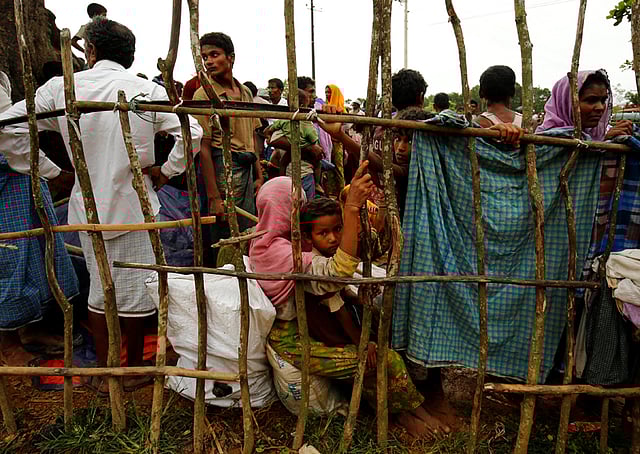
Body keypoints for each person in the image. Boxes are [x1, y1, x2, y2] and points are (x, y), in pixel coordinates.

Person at [0, 17, 203, 392]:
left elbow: (7, 127)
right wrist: (165, 171)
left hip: (87, 208)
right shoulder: (144, 89)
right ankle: (134, 368)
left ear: (90, 51)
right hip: (136, 208)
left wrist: (51, 171)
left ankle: (111, 367)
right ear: (129, 56)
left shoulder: (62, 88)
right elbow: (193, 132)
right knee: (141, 285)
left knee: (101, 287)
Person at [249, 170, 451, 437]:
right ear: (284, 210)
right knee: (380, 361)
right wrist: (352, 207)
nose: (300, 209)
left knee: (376, 350)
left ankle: (410, 411)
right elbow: (338, 272)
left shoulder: (280, 241)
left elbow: (335, 294)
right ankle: (403, 416)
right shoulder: (282, 251)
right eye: (295, 204)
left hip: (316, 326)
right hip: (294, 340)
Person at [0, 71, 79, 366]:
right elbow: (9, 136)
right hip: (7, 185)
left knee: (36, 253)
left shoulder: (2, 81)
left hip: (22, 184)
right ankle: (7, 343)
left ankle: (30, 329)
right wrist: (55, 173)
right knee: (10, 259)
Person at [192, 32, 264, 262]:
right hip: (223, 168)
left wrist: (259, 175)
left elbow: (253, 135)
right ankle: (227, 283)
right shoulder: (204, 94)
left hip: (247, 166)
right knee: (226, 231)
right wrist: (213, 196)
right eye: (205, 57)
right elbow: (203, 146)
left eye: (215, 54)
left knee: (248, 230)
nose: (209, 61)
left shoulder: (244, 92)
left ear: (230, 58)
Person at [300, 198, 373, 360]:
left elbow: (343, 292)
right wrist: (362, 345)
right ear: (307, 237)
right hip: (329, 336)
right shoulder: (312, 263)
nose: (333, 238)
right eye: (323, 233)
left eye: (338, 229)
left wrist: (359, 298)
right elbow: (339, 311)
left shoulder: (328, 255)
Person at [536, 69, 632, 140]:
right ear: (566, 103)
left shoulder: (601, 131)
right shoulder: (543, 140)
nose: (600, 108)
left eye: (603, 101)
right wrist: (602, 141)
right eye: (591, 100)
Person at [264, 89, 323, 200]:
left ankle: (282, 182)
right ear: (302, 104)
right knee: (318, 163)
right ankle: (318, 183)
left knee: (283, 164)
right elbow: (314, 141)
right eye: (308, 100)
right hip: (302, 160)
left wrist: (267, 135)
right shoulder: (305, 123)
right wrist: (314, 146)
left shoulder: (284, 120)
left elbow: (269, 130)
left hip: (290, 151)